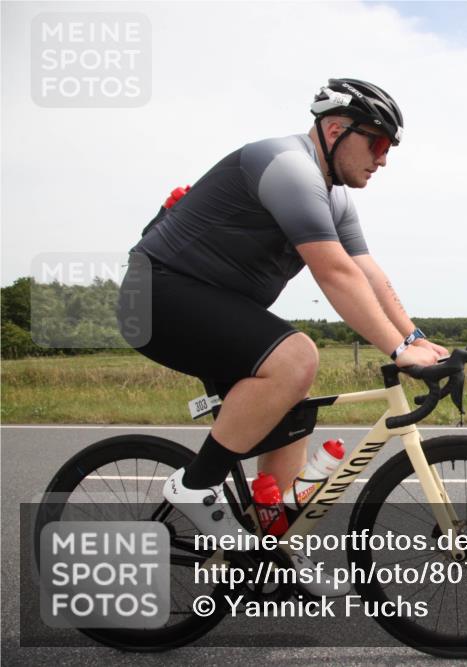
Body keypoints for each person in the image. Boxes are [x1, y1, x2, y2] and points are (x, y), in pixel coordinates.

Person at [116, 78, 445, 596]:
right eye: (378, 143)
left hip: (212, 305)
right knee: (295, 357)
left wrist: (418, 339)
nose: (383, 160)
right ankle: (195, 486)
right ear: (335, 130)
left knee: (292, 415)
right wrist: (399, 351)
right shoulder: (288, 167)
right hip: (158, 296)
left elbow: (367, 273)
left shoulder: (335, 199)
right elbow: (334, 272)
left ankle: (274, 556)